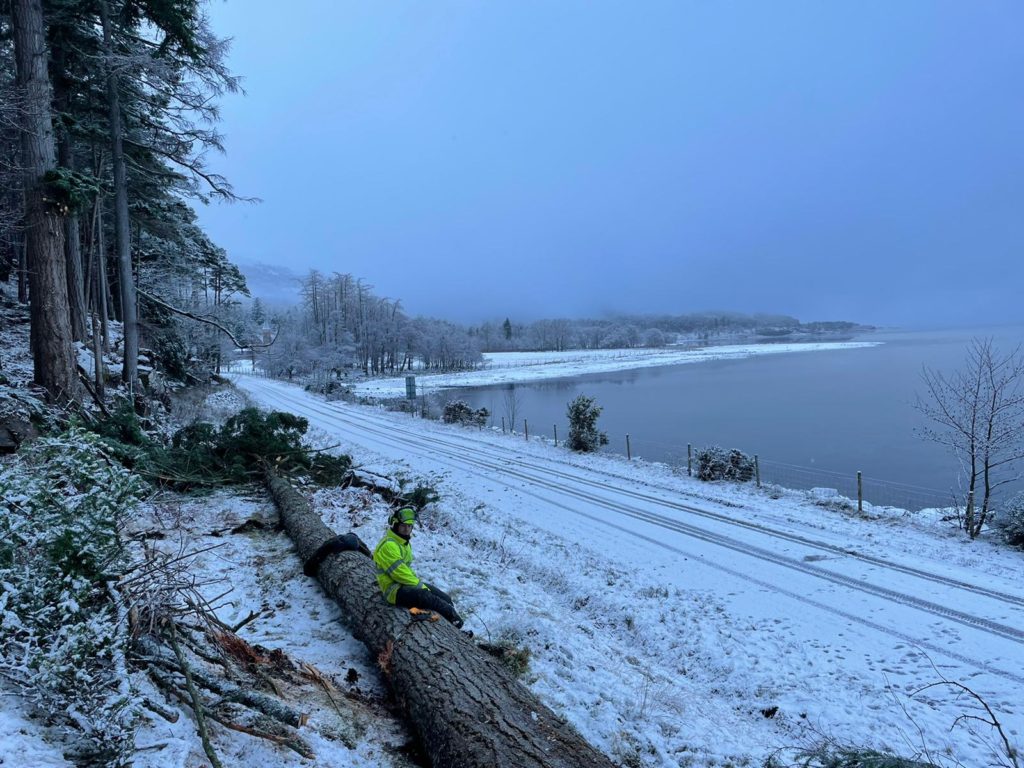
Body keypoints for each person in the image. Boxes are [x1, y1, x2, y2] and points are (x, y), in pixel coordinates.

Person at [372, 506, 465, 628]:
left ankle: (453, 627)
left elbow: (407, 570)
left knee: (445, 598)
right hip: (393, 591)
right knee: (428, 598)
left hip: (404, 585)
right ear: (395, 526)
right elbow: (400, 573)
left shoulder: (403, 543)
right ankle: (456, 625)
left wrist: (420, 585)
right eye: (403, 526)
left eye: (410, 526)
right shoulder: (389, 545)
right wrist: (420, 587)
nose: (407, 529)